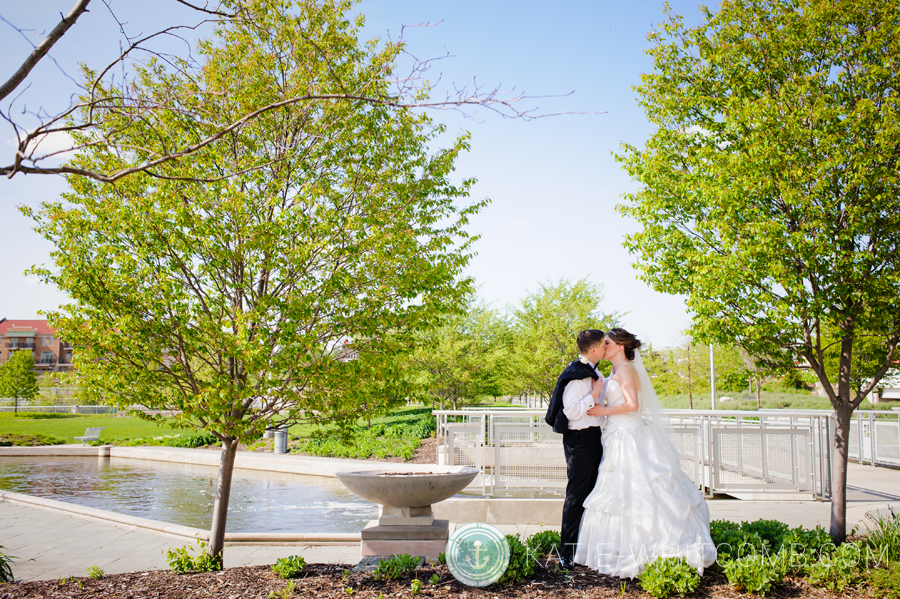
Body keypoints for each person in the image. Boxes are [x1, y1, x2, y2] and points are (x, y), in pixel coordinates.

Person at [574, 327, 716, 578]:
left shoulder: (627, 369)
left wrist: (602, 411)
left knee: (639, 489)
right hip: (617, 436)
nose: (603, 345)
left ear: (620, 347)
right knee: (620, 492)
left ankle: (653, 544)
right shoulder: (615, 369)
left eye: (607, 342)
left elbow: (632, 405)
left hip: (630, 437)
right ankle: (620, 546)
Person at [544, 329, 607, 568]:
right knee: (576, 495)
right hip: (580, 441)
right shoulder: (577, 376)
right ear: (593, 350)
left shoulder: (591, 370)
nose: (605, 348)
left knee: (590, 492)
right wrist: (595, 394)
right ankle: (567, 554)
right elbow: (571, 412)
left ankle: (582, 548)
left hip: (591, 437)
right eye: (603, 345)